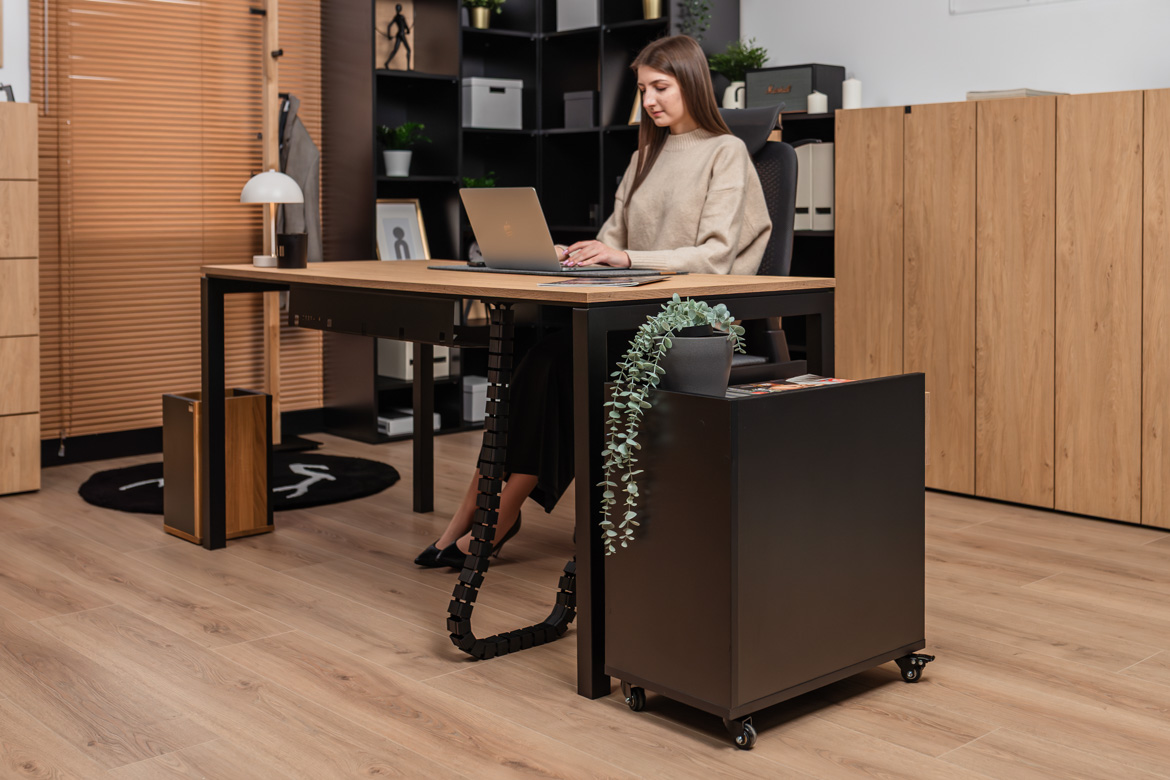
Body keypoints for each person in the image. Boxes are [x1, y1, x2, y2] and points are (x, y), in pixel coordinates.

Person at [415, 34, 771, 568]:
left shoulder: (727, 152)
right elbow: (613, 235)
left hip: (687, 322)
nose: (649, 100)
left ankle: (497, 511)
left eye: (660, 87)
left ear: (691, 84)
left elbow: (716, 254)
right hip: (631, 312)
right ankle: (476, 510)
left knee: (557, 363)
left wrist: (626, 258)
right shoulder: (644, 155)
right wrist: (576, 254)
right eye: (643, 89)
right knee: (537, 359)